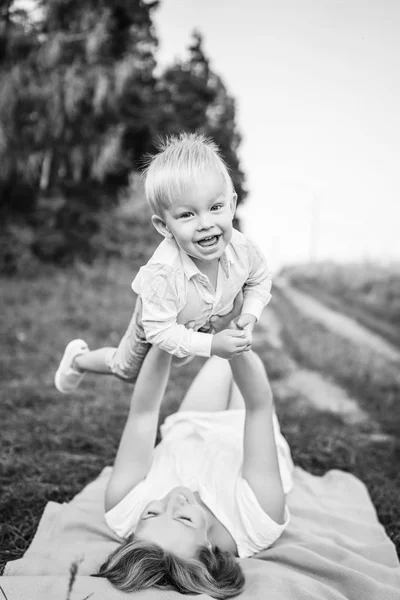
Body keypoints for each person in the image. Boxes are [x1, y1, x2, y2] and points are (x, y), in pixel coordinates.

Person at [93, 312, 294, 599]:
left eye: (152, 512)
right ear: (210, 549)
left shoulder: (123, 509)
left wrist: (164, 336)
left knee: (218, 358)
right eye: (184, 519)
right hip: (245, 428)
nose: (174, 497)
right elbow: (258, 405)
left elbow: (144, 412)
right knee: (237, 352)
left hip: (191, 431)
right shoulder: (256, 520)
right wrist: (231, 333)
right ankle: (249, 331)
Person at [54, 132, 272, 394]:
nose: (205, 224)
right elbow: (159, 331)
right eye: (187, 214)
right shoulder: (164, 272)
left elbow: (259, 279)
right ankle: (78, 359)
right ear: (164, 226)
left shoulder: (242, 249)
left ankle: (188, 341)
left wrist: (249, 314)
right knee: (129, 369)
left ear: (232, 205)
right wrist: (211, 345)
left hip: (197, 314)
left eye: (215, 207)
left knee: (178, 359)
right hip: (160, 313)